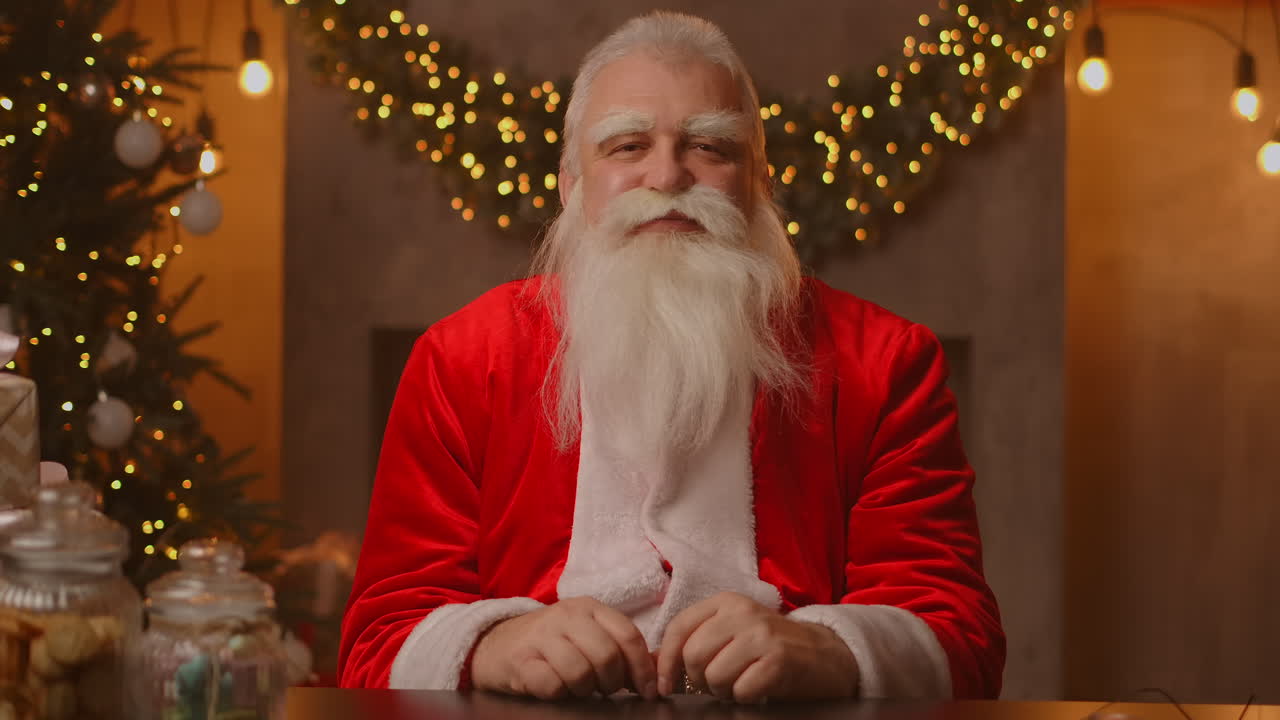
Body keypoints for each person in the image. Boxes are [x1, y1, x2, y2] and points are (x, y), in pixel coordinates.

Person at [337, 11, 1004, 703]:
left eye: (711, 147)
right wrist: (489, 644)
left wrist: (831, 646)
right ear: (572, 185)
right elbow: (378, 638)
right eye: (626, 145)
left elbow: (960, 636)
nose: (668, 174)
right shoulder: (462, 359)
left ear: (759, 183)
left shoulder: (885, 363)